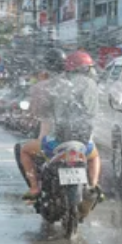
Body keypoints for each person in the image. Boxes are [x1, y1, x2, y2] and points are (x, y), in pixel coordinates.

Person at [40, 51, 103, 200]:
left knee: (32, 153)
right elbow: (92, 112)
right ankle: (93, 186)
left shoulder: (58, 84)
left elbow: (46, 110)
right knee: (95, 156)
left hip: (57, 140)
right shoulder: (91, 85)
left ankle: (36, 188)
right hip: (83, 141)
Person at [17, 48, 66, 199]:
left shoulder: (41, 87)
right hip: (77, 139)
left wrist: (29, 118)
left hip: (51, 140)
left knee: (24, 151)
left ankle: (34, 188)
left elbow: (35, 111)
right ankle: (92, 185)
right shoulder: (71, 84)